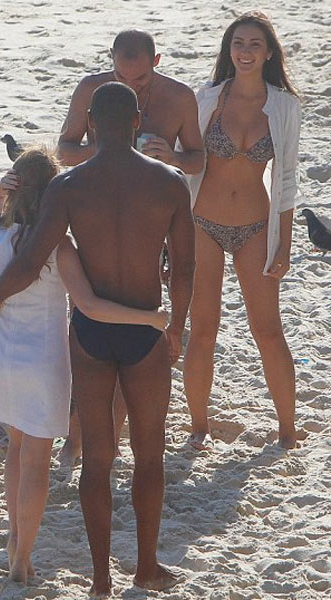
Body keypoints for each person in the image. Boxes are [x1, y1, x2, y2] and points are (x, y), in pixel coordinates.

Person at [0, 82, 195, 596]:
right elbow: (185, 268)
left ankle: (100, 579)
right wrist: (175, 327)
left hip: (92, 334)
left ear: (92, 125)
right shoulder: (169, 182)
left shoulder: (70, 186)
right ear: (137, 122)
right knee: (149, 454)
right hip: (143, 327)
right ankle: (146, 567)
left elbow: (31, 261)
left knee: (97, 457)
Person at [57, 28, 204, 467]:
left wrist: (170, 159)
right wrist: (109, 150)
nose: (132, 88)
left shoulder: (180, 97)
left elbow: (198, 159)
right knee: (90, 328)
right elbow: (64, 149)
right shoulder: (92, 89)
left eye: (141, 80)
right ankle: (76, 439)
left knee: (135, 331)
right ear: (111, 61)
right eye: (123, 77)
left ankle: (112, 436)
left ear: (157, 62)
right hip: (98, 220)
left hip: (149, 222)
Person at [183, 11, 301, 451]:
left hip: (256, 228)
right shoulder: (207, 98)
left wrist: (283, 245)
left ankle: (287, 428)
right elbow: (186, 162)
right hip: (201, 224)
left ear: (268, 53)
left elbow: (286, 179)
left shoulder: (284, 107)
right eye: (238, 43)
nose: (245, 52)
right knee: (203, 330)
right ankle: (199, 426)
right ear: (228, 50)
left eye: (254, 44)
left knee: (268, 330)